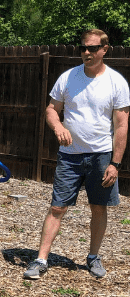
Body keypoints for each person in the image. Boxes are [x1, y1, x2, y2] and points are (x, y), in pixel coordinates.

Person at [24, 29, 129, 280]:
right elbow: (51, 109)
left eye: (92, 48)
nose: (86, 53)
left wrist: (115, 163)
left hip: (101, 156)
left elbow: (122, 125)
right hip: (70, 156)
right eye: (83, 48)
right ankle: (40, 259)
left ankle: (93, 257)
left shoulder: (116, 83)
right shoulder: (68, 78)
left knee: (98, 208)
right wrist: (58, 126)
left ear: (105, 50)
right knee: (57, 207)